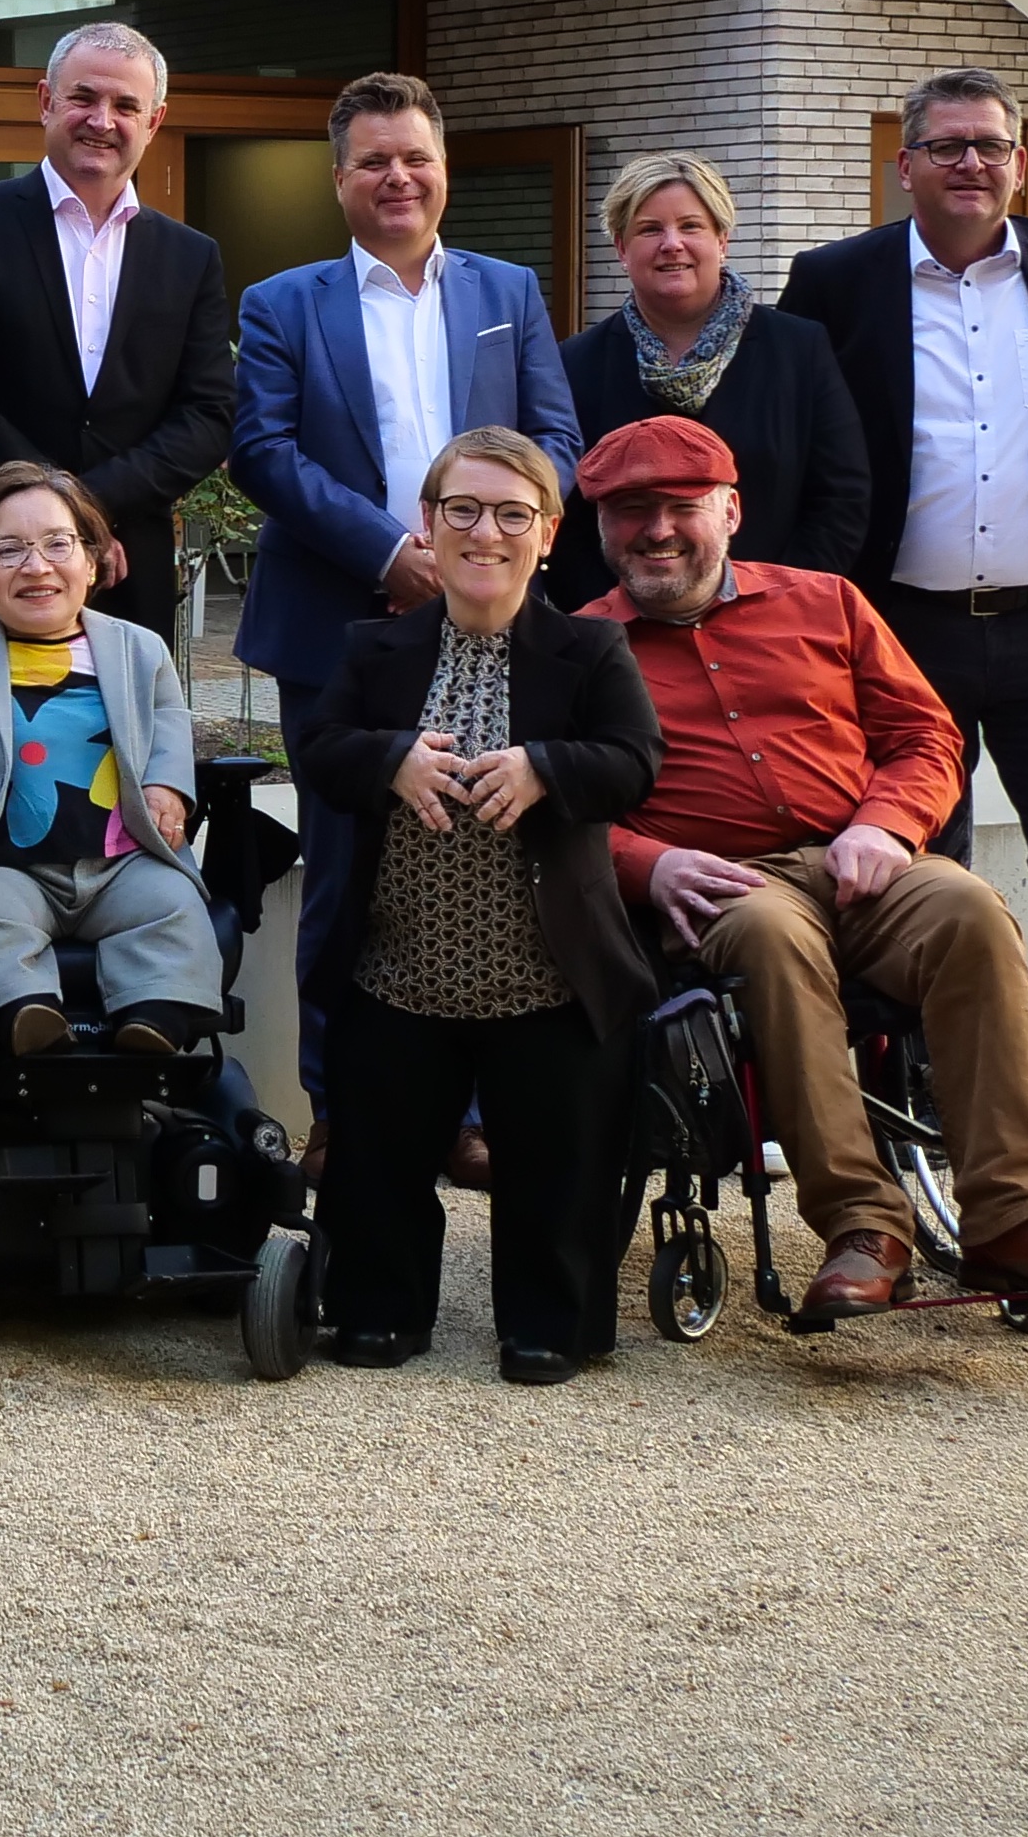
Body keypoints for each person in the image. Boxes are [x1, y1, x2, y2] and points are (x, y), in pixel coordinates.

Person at [581, 412, 1028, 1315]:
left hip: (865, 859)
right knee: (773, 938)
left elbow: (924, 735)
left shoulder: (827, 602)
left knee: (971, 912)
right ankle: (863, 1224)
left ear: (730, 510)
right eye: (628, 511)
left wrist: (887, 827)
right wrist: (648, 865)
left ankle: (1015, 1222)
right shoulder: (579, 648)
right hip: (725, 882)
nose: (655, 528)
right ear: (599, 529)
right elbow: (559, 809)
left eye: (679, 505)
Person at [778, 69, 1028, 1189]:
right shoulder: (837, 281)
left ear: (1018, 160)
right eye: (946, 146)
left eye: (991, 145)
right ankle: (932, 1102)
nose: (970, 163)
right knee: (922, 877)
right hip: (903, 634)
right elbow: (820, 441)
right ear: (903, 166)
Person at [229, 68, 580, 1141]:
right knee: (344, 872)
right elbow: (263, 452)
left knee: (484, 862)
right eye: (375, 160)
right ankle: (341, 1111)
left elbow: (556, 443)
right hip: (341, 627)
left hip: (487, 626)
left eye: (415, 158)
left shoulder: (506, 292)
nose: (398, 177)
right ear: (341, 179)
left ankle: (469, 1114)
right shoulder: (284, 301)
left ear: (444, 172)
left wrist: (488, 552)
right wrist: (393, 551)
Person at [287, 428, 659, 1382]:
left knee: (554, 1169)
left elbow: (634, 763)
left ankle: (549, 1322)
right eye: (460, 509)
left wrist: (543, 769)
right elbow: (320, 749)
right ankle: (377, 1309)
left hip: (547, 975)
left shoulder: (590, 646)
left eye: (509, 513)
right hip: (399, 967)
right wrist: (390, 758)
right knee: (375, 1164)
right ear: (427, 523)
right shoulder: (375, 647)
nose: (482, 531)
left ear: (546, 532)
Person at [0, 462, 223, 1061]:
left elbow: (169, 721)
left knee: (173, 907)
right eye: (8, 550)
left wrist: (169, 785)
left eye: (57, 545)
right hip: (0, 862)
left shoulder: (138, 649)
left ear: (92, 561)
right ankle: (22, 1010)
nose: (36, 567)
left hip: (120, 859)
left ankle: (155, 1015)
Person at [0, 22, 237, 647]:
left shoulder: (190, 255)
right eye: (83, 98)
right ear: (45, 102)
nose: (102, 119)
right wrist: (56, 515)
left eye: (125, 106)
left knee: (122, 743)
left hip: (128, 570)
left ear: (154, 119)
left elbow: (208, 415)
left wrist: (94, 508)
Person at [547, 150, 867, 610]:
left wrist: (780, 602)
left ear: (722, 239)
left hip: (775, 623)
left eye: (691, 226)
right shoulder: (575, 364)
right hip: (625, 639)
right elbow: (564, 517)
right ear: (621, 248)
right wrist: (614, 616)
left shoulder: (798, 349)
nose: (671, 243)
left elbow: (841, 500)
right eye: (650, 229)